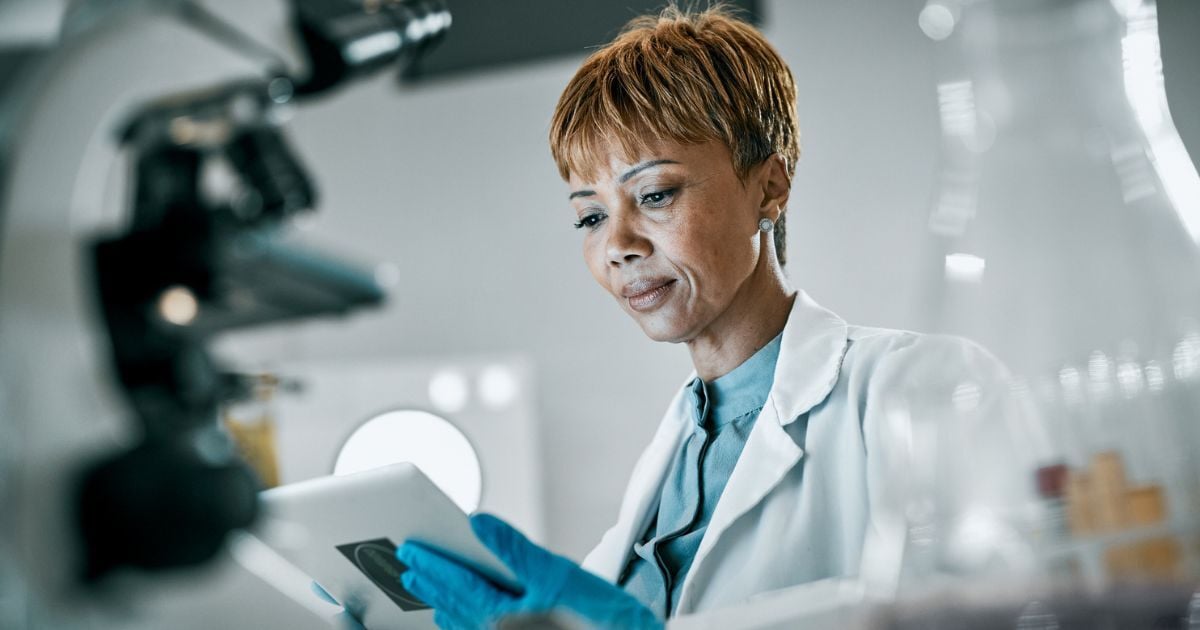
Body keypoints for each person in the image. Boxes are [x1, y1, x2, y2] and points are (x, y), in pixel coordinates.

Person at [394, 4, 1009, 628]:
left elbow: (1017, 611)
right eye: (591, 216)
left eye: (655, 194)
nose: (618, 245)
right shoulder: (677, 455)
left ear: (768, 187)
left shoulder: (920, 387)